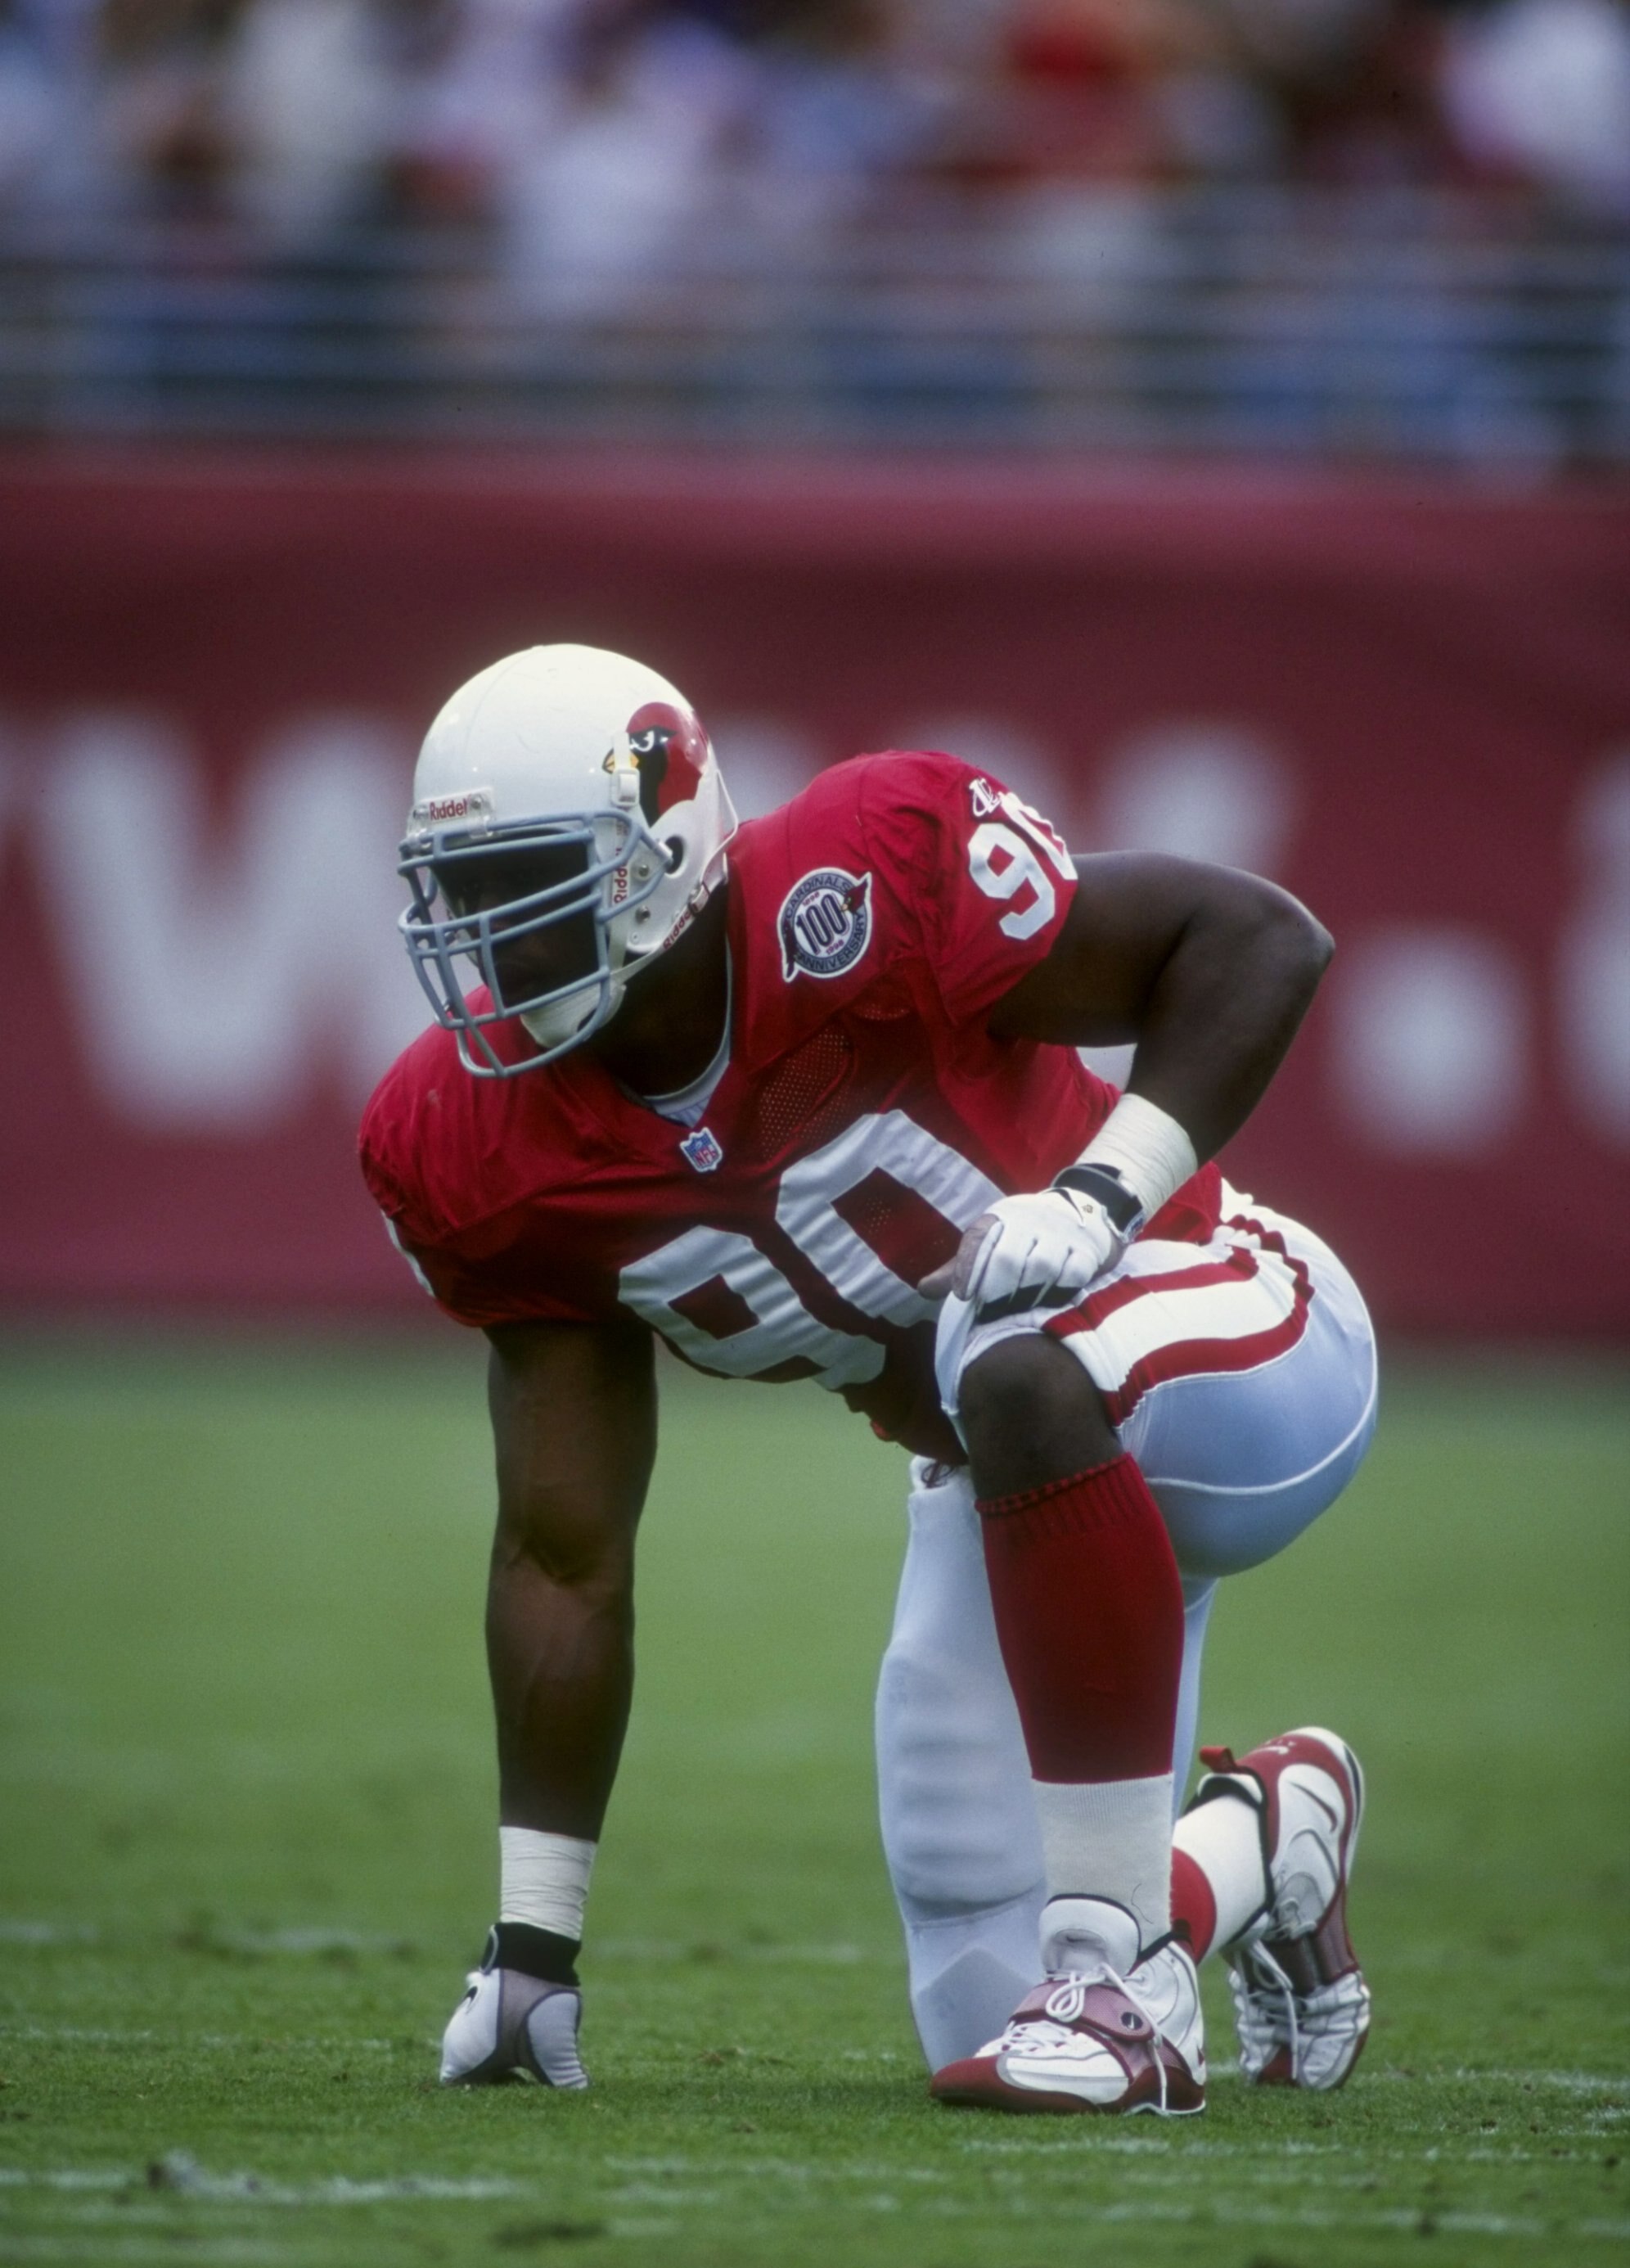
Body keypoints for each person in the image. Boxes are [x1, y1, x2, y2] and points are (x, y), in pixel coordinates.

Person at [359, 643, 1378, 2117]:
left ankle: (1128, 1993)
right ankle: (1266, 1832)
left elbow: (1259, 935)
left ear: (659, 845)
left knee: (1015, 1353)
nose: (489, 935)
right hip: (1021, 1482)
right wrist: (532, 1949)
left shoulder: (867, 872)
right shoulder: (478, 1149)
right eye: (460, 892)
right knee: (984, 2005)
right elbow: (563, 1555)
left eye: (526, 879)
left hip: (1244, 1335)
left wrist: (1099, 1197)